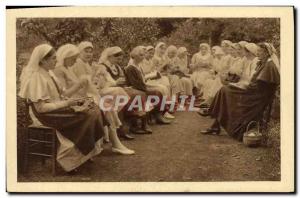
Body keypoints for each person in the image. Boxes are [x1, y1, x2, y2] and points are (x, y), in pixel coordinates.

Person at [19, 44, 134, 174]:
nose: (56, 61)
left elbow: (61, 95)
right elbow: (41, 108)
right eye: (53, 59)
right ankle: (68, 160)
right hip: (46, 116)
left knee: (94, 109)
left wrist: (75, 102)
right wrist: (67, 103)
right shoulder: (36, 77)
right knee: (89, 115)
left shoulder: (48, 72)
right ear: (43, 60)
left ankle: (83, 153)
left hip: (55, 109)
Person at [201, 42, 280, 141]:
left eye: (260, 51)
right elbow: (254, 82)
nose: (258, 52)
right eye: (258, 50)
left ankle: (212, 116)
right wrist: (242, 85)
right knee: (225, 90)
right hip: (253, 92)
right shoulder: (263, 62)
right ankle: (214, 123)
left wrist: (243, 86)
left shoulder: (269, 65)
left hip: (256, 97)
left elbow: (259, 86)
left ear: (267, 53)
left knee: (225, 90)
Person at [125, 46, 172, 125]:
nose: (142, 57)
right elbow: (134, 83)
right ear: (135, 56)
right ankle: (157, 115)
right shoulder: (130, 67)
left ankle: (159, 114)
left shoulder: (138, 66)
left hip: (142, 86)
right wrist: (146, 88)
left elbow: (142, 79)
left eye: (143, 55)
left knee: (159, 91)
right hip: (136, 88)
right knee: (156, 93)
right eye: (141, 55)